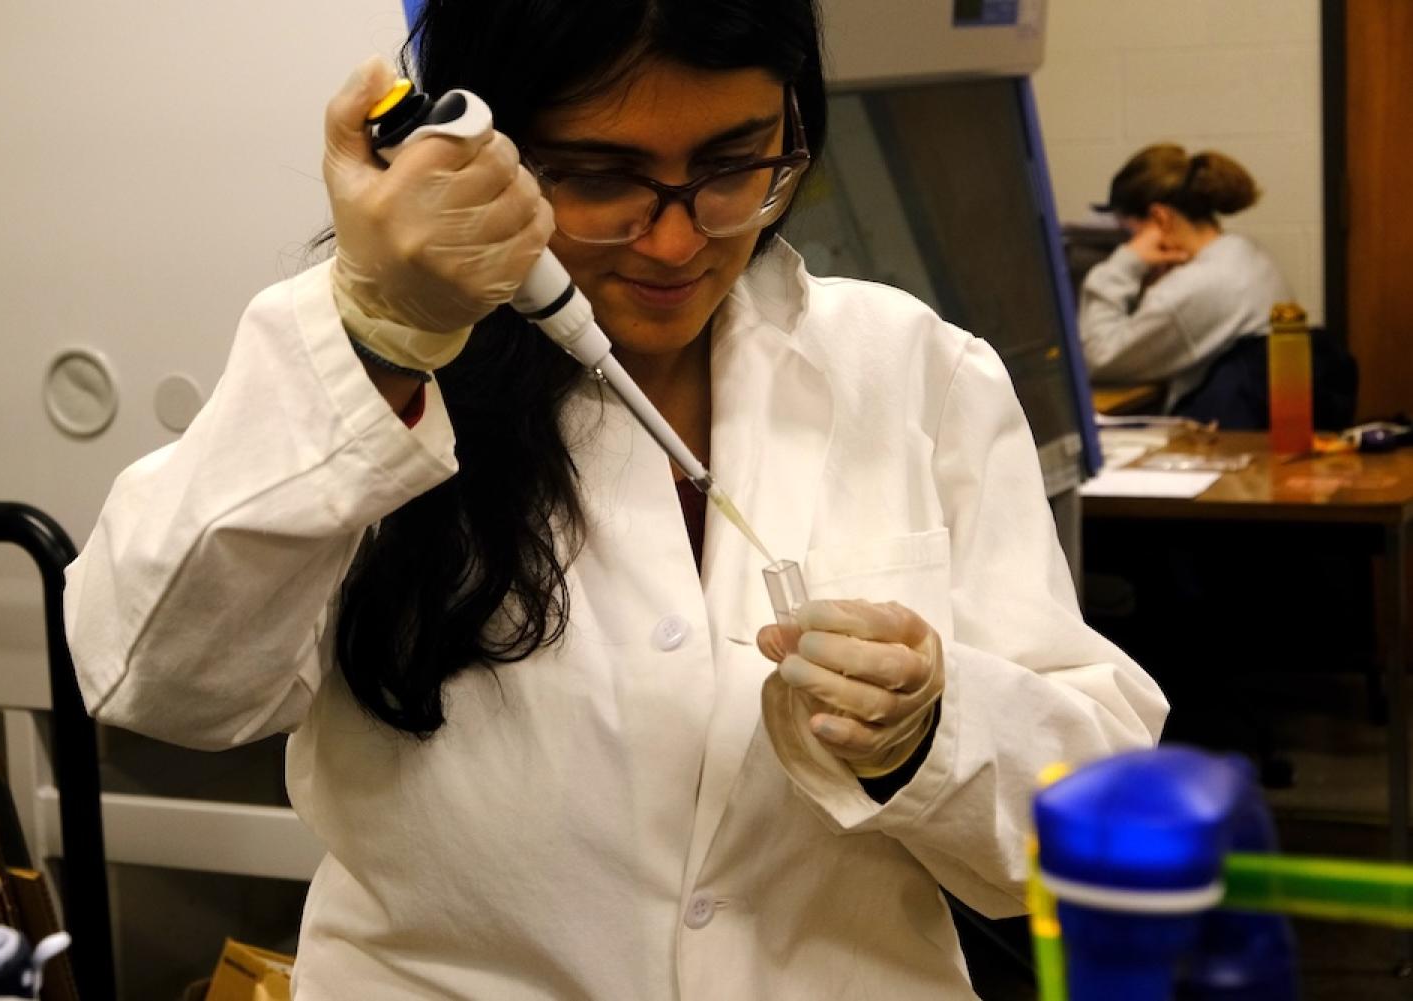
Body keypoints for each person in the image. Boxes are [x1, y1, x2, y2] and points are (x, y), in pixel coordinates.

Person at [64, 1, 1166, 997]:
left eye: (734, 164)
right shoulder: (369, 369)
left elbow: (1102, 823)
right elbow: (155, 677)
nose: (679, 239)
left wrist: (931, 737)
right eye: (601, 176)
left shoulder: (915, 370)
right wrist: (377, 343)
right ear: (486, 150)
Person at [1079, 143, 1290, 413]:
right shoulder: (1246, 255)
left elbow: (1098, 360)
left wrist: (1125, 263)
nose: (1129, 242)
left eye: (1129, 232)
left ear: (1160, 218)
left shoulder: (1196, 286)